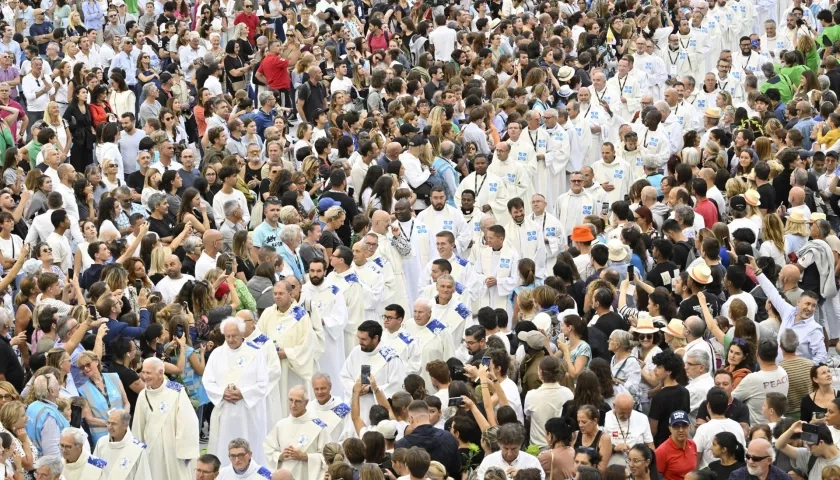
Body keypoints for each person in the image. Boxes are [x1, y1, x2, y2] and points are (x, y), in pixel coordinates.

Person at [202, 317, 269, 467]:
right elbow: (207, 381)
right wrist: (222, 393)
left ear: (242, 334)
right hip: (225, 411)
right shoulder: (217, 354)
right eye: (227, 336)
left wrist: (243, 393)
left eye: (234, 336)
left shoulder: (255, 352)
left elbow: (263, 383)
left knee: (250, 445)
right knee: (225, 447)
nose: (231, 340)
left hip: (249, 412)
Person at [256, 281, 317, 418]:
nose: (277, 296)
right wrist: (269, 352)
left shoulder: (300, 315)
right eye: (275, 294)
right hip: (272, 366)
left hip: (291, 368)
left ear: (291, 295)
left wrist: (288, 353)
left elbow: (307, 344)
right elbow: (258, 337)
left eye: (281, 294)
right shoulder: (267, 313)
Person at [132, 357, 199, 480]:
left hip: (174, 449)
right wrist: (138, 451)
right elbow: (138, 425)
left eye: (148, 373)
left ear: (160, 373)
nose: (144, 376)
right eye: (143, 372)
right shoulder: (142, 395)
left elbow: (188, 421)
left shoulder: (176, 391)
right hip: (152, 450)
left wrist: (184, 450)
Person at [264, 385, 329, 478]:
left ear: (306, 402)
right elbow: (268, 450)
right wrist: (280, 456)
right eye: (290, 400)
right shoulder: (280, 425)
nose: (293, 405)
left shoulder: (318, 426)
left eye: (297, 401)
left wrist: (305, 456)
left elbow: (327, 457)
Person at [693, 387, 746, 469]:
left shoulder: (703, 429)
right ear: (727, 406)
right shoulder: (737, 426)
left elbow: (695, 458)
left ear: (708, 406)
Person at [92, 409, 153, 480]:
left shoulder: (137, 449)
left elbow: (143, 476)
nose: (109, 427)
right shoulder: (101, 443)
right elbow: (93, 471)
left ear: (125, 425)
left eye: (114, 424)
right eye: (108, 423)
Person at [776, 421, 840, 480]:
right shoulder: (809, 456)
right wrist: (791, 430)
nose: (808, 449)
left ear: (821, 443)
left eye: (810, 446)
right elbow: (779, 446)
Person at [475, 423, 542, 479]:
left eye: (514, 449)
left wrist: (522, 477)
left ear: (520, 445)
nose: (509, 453)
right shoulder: (488, 461)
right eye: (505, 448)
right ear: (499, 444)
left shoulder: (532, 462)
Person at [654, 411, 696, 480]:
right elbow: (655, 476)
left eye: (684, 426)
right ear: (670, 428)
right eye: (676, 426)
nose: (681, 430)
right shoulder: (661, 451)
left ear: (690, 427)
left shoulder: (693, 444)